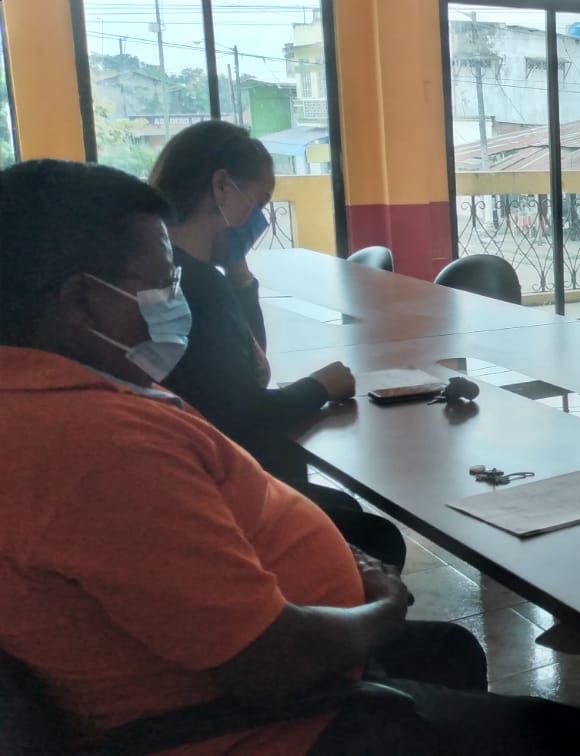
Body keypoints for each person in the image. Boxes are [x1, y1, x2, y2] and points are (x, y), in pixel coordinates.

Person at [0, 158, 580, 755]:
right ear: (82, 303)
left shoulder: (61, 394)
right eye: (162, 282)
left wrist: (323, 554)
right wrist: (383, 607)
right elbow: (273, 664)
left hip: (233, 676)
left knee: (450, 650)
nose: (173, 297)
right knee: (568, 737)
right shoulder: (97, 451)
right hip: (258, 722)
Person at [145, 121, 404, 567]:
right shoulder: (197, 286)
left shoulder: (176, 271)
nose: (258, 219)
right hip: (221, 490)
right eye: (259, 202)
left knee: (345, 510)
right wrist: (321, 386)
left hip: (191, 477)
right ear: (221, 187)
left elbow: (253, 365)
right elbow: (249, 410)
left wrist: (239, 274)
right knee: (377, 537)